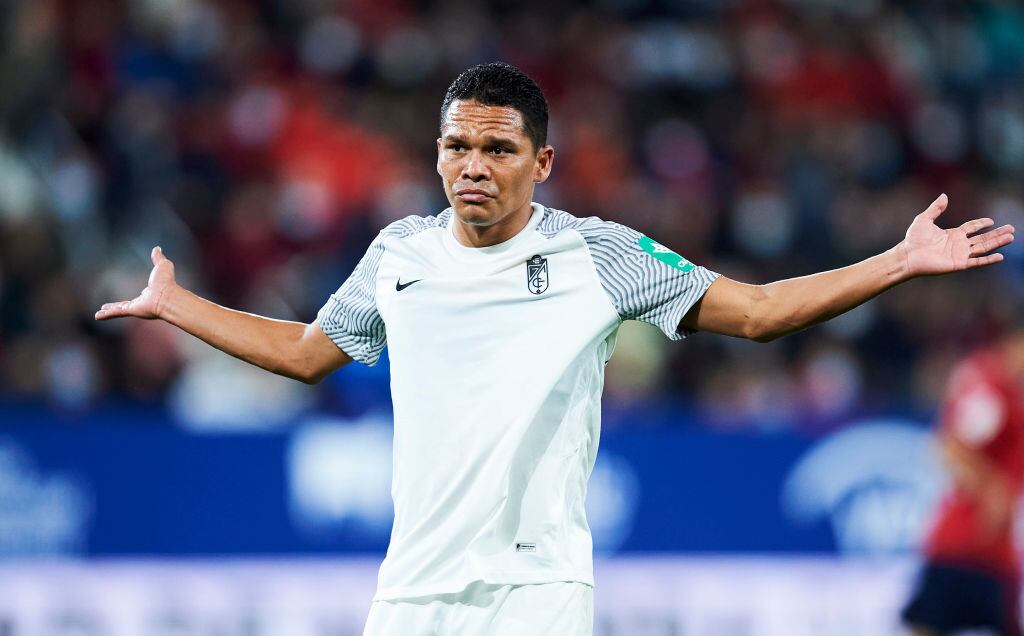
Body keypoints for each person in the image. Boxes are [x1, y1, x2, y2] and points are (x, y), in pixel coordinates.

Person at [96, 62, 1014, 636]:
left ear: (541, 163)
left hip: (536, 591)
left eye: (496, 149)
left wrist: (895, 261)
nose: (470, 167)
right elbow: (303, 351)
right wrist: (180, 306)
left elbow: (763, 310)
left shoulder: (598, 255)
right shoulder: (398, 254)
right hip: (412, 590)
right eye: (456, 145)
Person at [902, 331, 1024, 636]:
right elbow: (950, 447)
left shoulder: (1003, 387)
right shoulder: (991, 388)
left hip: (995, 549)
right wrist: (992, 488)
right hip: (966, 543)